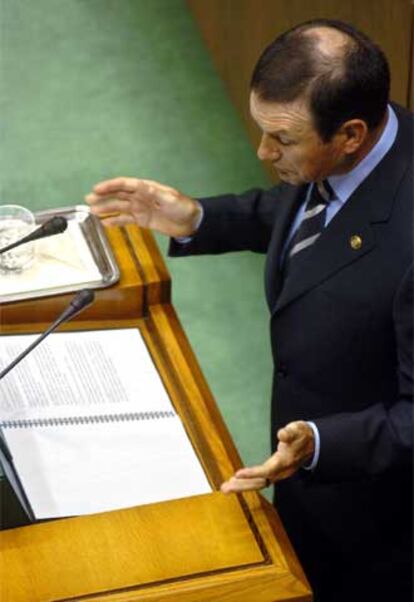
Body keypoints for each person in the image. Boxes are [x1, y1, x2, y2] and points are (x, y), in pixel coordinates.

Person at [85, 19, 413, 602]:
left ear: (351, 135)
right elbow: (314, 217)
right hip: (309, 483)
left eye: (281, 141)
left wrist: (321, 440)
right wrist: (198, 219)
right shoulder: (342, 150)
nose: (262, 153)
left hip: (380, 523)